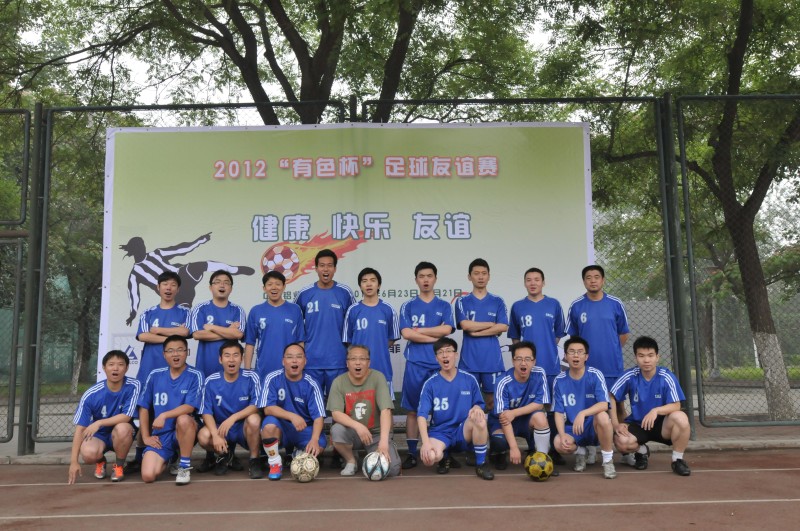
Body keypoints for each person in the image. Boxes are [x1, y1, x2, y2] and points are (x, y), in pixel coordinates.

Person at [295, 249, 355, 469]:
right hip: (311, 364)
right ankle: (313, 448)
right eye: (322, 265)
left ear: (335, 268)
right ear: (316, 268)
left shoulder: (345, 293)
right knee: (311, 410)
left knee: (340, 411)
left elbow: (353, 324)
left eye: (330, 265)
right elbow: (297, 326)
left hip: (338, 362)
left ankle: (340, 449)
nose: (326, 269)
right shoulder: (304, 294)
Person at [565, 264, 630, 465]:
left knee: (618, 406)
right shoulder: (576, 306)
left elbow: (623, 334)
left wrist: (611, 350)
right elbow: (574, 340)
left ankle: (625, 448)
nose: (592, 280)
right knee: (590, 407)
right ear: (584, 281)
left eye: (596, 277)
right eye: (588, 277)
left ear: (603, 280)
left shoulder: (615, 303)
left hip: (612, 367)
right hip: (588, 370)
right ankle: (591, 448)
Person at [120, 232, 254, 326]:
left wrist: (199, 241)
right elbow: (133, 294)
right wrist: (133, 313)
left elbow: (180, 249)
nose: (143, 248)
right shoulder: (135, 273)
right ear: (134, 250)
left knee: (200, 265)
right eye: (140, 246)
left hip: (182, 275)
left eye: (143, 245)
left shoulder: (157, 253)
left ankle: (234, 270)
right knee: (184, 313)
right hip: (175, 293)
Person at [129, 271, 190, 472]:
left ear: (178, 289)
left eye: (172, 285)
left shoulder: (184, 313)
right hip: (149, 369)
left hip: (175, 373)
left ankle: (175, 456)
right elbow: (143, 336)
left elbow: (185, 332)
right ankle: (140, 454)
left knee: (176, 415)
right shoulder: (148, 313)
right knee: (146, 412)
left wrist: (158, 331)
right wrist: (172, 338)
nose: (168, 288)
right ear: (158, 287)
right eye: (165, 284)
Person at [398, 261, 455, 469]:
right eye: (421, 276)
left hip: (439, 366)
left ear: (435, 279)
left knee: (441, 411)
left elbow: (447, 329)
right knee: (413, 411)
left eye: (429, 276)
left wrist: (420, 330)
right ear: (416, 280)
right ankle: (412, 453)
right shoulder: (408, 305)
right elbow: (406, 333)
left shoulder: (444, 306)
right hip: (416, 364)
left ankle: (442, 452)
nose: (425, 280)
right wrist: (434, 336)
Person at [609, 336, 691, 476]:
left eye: (650, 355)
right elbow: (611, 396)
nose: (646, 360)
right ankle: (642, 451)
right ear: (636, 358)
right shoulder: (630, 375)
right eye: (641, 356)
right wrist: (616, 424)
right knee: (621, 441)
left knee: (681, 418)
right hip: (638, 423)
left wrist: (656, 410)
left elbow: (676, 405)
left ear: (657, 357)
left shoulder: (666, 376)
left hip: (662, 425)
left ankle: (677, 460)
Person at [507, 267, 566, 464]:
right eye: (529, 280)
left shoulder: (554, 304)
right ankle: (535, 448)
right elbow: (515, 339)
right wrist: (524, 361)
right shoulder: (517, 307)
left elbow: (557, 335)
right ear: (524, 283)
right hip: (528, 369)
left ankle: (552, 449)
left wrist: (547, 348)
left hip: (550, 366)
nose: (533, 283)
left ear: (543, 282)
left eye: (537, 279)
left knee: (550, 406)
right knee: (531, 405)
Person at [417, 337, 494, 480]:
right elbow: (421, 415)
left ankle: (481, 464)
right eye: (440, 352)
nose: (445, 355)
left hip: (462, 431)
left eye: (448, 351)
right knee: (430, 458)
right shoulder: (430, 383)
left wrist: (477, 407)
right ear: (436, 358)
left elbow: (479, 403)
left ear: (456, 355)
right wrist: (426, 443)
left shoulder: (469, 379)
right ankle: (444, 456)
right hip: (440, 432)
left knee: (479, 419)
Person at [137, 335, 203, 485]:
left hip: (185, 429)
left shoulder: (196, 375)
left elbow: (190, 406)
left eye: (180, 350)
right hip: (161, 435)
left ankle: (184, 466)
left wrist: (164, 415)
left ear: (187, 352)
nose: (175, 354)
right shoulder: (155, 375)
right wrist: (146, 437)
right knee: (148, 476)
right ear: (164, 354)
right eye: (171, 351)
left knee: (183, 419)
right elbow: (144, 407)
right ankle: (170, 457)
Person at [327, 344, 401, 477]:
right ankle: (351, 460)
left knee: (392, 470)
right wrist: (358, 426)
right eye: (353, 359)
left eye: (362, 359)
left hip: (376, 435)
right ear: (347, 363)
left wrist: (384, 442)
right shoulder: (338, 381)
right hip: (353, 432)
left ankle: (387, 447)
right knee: (337, 430)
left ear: (369, 362)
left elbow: (386, 410)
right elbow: (336, 414)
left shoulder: (378, 377)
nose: (358, 362)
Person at [68, 351, 139, 484]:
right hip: (100, 435)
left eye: (120, 364)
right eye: (111, 364)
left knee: (123, 428)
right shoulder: (91, 394)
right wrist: (73, 461)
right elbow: (80, 429)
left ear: (127, 368)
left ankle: (119, 466)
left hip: (121, 433)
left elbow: (126, 416)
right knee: (88, 453)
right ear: (104, 367)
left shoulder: (134, 386)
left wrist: (99, 422)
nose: (115, 368)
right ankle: (101, 461)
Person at [259, 343, 327, 480]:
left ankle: (299, 453)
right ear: (283, 361)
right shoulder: (272, 378)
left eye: (299, 357)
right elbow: (268, 408)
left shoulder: (312, 383)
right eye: (290, 357)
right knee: (269, 426)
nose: (294, 361)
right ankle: (275, 463)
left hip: (303, 429)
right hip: (281, 427)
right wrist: (291, 416)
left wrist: (314, 439)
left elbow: (318, 417)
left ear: (305, 361)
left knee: (319, 445)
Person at [197, 340, 264, 479]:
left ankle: (254, 460)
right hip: (221, 427)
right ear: (220, 359)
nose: (231, 359)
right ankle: (225, 455)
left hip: (242, 426)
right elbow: (206, 411)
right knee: (203, 436)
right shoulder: (211, 381)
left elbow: (256, 405)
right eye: (227, 355)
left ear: (242, 358)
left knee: (254, 419)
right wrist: (215, 435)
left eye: (235, 355)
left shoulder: (252, 377)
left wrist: (233, 418)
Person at [552, 336, 616, 479]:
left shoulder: (595, 375)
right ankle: (580, 451)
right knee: (558, 443)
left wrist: (583, 413)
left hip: (593, 426)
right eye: (572, 351)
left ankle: (607, 461)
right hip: (574, 427)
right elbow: (558, 412)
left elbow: (604, 404)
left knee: (603, 416)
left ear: (586, 356)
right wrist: (562, 435)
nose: (576, 355)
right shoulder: (559, 380)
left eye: (580, 352)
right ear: (565, 356)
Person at [488, 341, 554, 473]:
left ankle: (543, 460)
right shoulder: (503, 381)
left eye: (528, 359)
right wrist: (514, 447)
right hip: (502, 422)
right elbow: (504, 418)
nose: (523, 363)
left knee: (541, 418)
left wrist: (515, 413)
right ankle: (499, 454)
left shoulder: (539, 373)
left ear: (534, 361)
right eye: (519, 359)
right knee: (499, 442)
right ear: (513, 361)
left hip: (525, 419)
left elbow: (540, 403)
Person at [454, 258, 509, 411]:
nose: (480, 277)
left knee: (493, 403)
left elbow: (503, 326)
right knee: (468, 403)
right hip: (469, 362)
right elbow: (465, 325)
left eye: (484, 273)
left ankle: (493, 427)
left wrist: (477, 333)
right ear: (469, 276)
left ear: (489, 276)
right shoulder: (462, 301)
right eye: (476, 273)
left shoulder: (497, 301)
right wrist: (491, 324)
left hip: (492, 362)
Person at [343, 267, 400, 394]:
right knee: (359, 405)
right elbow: (348, 341)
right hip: (358, 370)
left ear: (378, 285)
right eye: (364, 281)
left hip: (382, 367)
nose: (368, 284)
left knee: (385, 404)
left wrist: (378, 348)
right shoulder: (353, 310)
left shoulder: (388, 309)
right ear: (360, 286)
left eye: (373, 280)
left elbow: (392, 338)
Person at [244, 271, 304, 380]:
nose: (274, 287)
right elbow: (250, 343)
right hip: (263, 370)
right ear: (264, 288)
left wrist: (300, 368)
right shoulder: (256, 311)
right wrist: (247, 373)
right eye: (270, 284)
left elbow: (300, 341)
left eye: (278, 284)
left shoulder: (295, 310)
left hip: (289, 370)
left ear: (284, 286)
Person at [189, 270, 246, 378]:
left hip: (230, 369)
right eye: (218, 282)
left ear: (231, 288)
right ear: (210, 287)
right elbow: (197, 334)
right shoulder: (200, 308)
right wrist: (229, 331)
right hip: (205, 367)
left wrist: (212, 327)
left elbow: (238, 334)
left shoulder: (238, 310)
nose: (222, 285)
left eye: (226, 282)